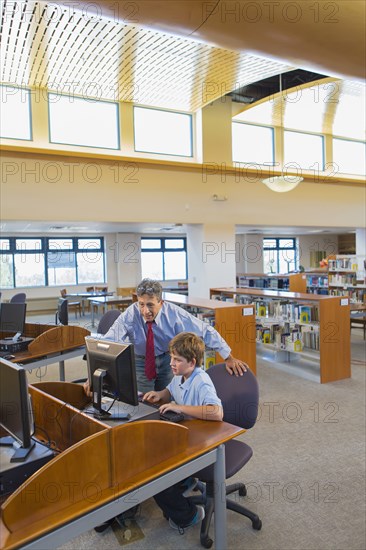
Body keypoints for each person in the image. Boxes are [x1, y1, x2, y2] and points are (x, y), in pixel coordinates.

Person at [87, 278, 248, 394]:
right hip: (140, 361)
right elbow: (108, 342)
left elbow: (205, 330)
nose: (145, 311)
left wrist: (228, 357)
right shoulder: (131, 314)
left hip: (167, 360)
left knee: (166, 399)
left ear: (161, 302)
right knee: (143, 402)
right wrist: (93, 375)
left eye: (150, 305)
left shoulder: (174, 314)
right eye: (141, 304)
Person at [143, 332, 223, 532]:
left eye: (177, 360)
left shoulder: (201, 380)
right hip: (184, 435)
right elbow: (171, 390)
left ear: (192, 362)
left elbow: (217, 412)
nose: (171, 363)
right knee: (145, 452)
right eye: (171, 358)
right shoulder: (180, 375)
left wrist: (180, 408)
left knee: (155, 476)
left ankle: (191, 515)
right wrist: (159, 394)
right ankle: (185, 481)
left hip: (201, 443)